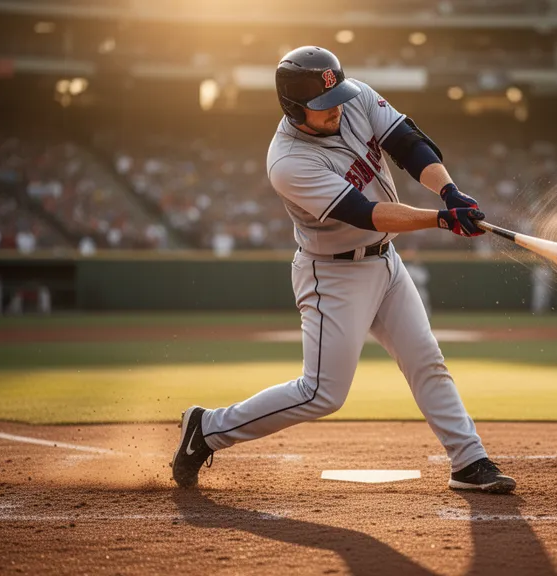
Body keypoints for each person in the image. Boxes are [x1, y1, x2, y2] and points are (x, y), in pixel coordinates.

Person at [171, 46, 514, 494]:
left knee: (426, 360)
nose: (334, 109)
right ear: (293, 109)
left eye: (336, 98)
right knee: (321, 394)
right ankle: (207, 429)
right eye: (321, 106)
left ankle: (469, 461)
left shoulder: (351, 98)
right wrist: (439, 218)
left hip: (385, 262)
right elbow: (365, 213)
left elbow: (408, 144)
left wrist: (449, 191)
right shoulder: (288, 162)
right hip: (333, 276)